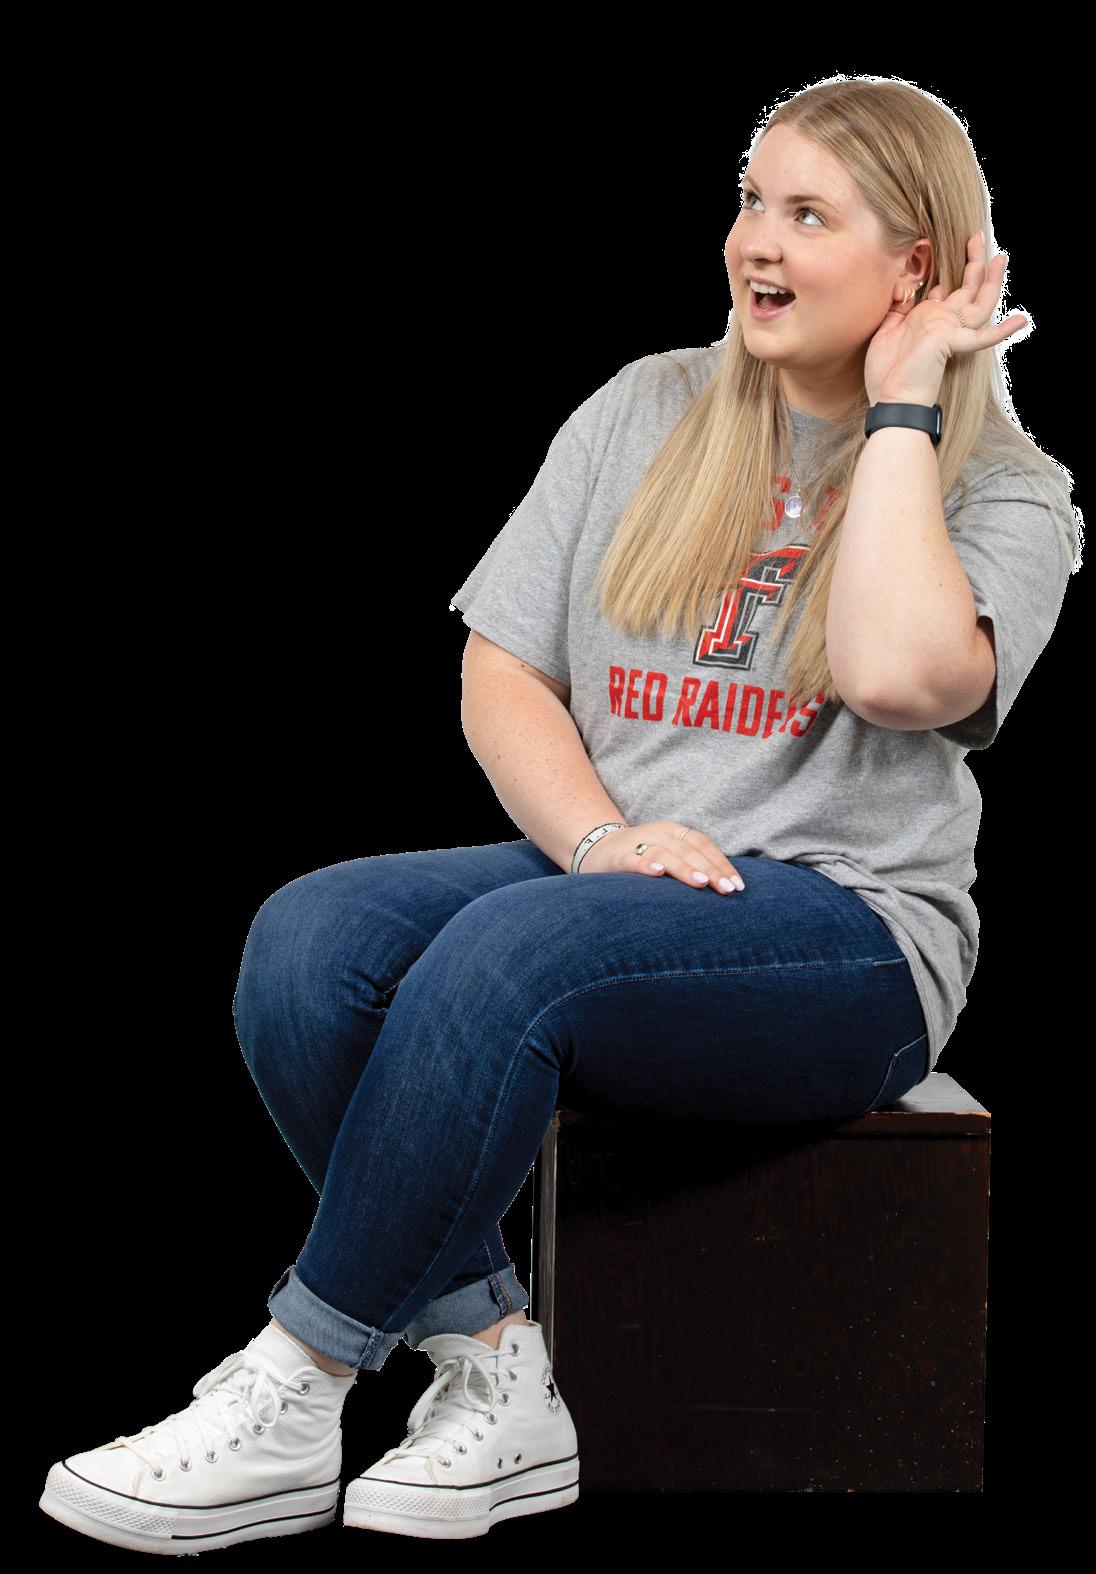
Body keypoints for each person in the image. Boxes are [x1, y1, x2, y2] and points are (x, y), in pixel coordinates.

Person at [40, 77, 1078, 1548]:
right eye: (751, 201)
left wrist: (905, 409)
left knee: (512, 955)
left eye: (808, 215)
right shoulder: (645, 406)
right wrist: (599, 843)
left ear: (914, 266)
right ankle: (495, 1362)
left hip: (849, 936)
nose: (755, 241)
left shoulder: (1008, 491)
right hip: (612, 881)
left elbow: (897, 675)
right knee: (311, 940)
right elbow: (503, 670)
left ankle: (298, 1383)